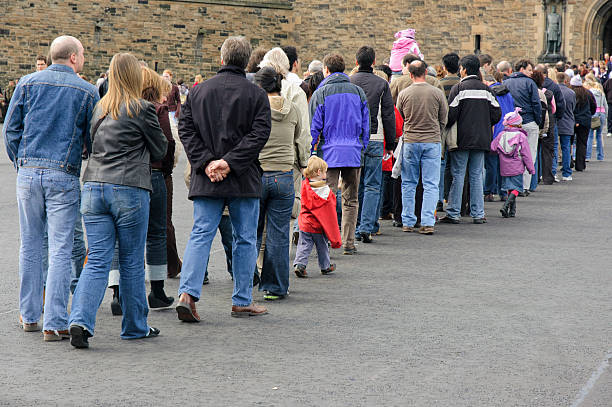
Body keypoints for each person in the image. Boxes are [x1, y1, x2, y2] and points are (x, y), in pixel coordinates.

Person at [68, 52, 167, 348]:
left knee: (97, 259)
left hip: (94, 186)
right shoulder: (142, 109)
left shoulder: (100, 108)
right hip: (129, 188)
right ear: (136, 76)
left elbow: (92, 144)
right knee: (132, 260)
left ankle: (80, 320)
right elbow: (160, 149)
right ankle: (135, 325)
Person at [3, 36, 99, 341]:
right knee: (60, 247)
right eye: (82, 54)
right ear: (72, 58)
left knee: (30, 244)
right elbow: (94, 136)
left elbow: (11, 128)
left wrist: (21, 161)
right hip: (63, 172)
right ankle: (55, 320)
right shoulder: (86, 90)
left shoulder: (27, 83)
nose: (83, 58)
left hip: (29, 172)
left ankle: (29, 314)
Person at [176, 36, 271, 322]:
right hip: (243, 176)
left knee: (200, 234)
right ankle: (242, 299)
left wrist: (206, 162)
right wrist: (229, 162)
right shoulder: (256, 94)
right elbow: (259, 134)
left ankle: (187, 294)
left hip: (207, 177)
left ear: (221, 59)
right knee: (245, 239)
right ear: (246, 61)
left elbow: (186, 130)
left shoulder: (198, 91)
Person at [309, 53, 369, 255]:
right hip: (353, 152)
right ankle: (348, 242)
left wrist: (310, 153)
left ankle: (325, 240)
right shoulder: (359, 92)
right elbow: (366, 125)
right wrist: (363, 147)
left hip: (328, 153)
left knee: (326, 198)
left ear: (326, 70)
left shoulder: (321, 93)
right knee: (351, 199)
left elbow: (313, 127)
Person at [253, 67, 301, 300]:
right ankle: (276, 286)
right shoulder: (291, 108)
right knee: (279, 234)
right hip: (283, 175)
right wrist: (301, 164)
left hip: (258, 174)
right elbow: (300, 140)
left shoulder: (255, 108)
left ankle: (246, 279)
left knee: (250, 231)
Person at [259, 48, 311, 246]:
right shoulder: (296, 91)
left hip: (261, 161)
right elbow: (303, 132)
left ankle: (259, 267)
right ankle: (277, 269)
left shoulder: (256, 90)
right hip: (288, 162)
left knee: (258, 220)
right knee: (283, 223)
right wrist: (304, 161)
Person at [441, 55, 501, 224]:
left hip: (462, 139)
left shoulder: (459, 89)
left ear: (464, 69)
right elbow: (497, 114)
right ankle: (478, 213)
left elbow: (450, 116)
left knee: (458, 174)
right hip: (482, 139)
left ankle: (453, 212)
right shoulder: (486, 90)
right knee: (476, 175)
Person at [396, 60, 448, 234]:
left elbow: (399, 118)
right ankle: (427, 221)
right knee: (431, 184)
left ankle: (408, 220)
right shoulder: (436, 93)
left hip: (410, 140)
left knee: (409, 183)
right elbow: (443, 118)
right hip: (432, 140)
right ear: (425, 72)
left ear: (410, 74)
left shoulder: (404, 94)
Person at [350, 46, 395, 243]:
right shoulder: (382, 83)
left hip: (353, 138)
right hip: (376, 138)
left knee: (354, 184)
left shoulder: (350, 82)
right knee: (373, 185)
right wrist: (391, 142)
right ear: (374, 62)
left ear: (356, 61)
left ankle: (355, 223)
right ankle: (366, 226)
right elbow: (388, 114)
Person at [293, 156, 341, 277]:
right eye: (325, 171)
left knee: (304, 245)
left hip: (304, 223)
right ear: (319, 172)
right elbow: (330, 210)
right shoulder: (326, 192)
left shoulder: (303, 186)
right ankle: (325, 266)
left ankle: (300, 264)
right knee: (322, 246)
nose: (326, 173)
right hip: (319, 225)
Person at [503, 59, 542, 193]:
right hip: (529, 121)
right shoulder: (530, 83)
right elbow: (536, 104)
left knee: (512, 155)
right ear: (522, 69)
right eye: (529, 70)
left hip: (512, 124)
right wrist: (538, 121)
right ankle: (524, 186)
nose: (532, 73)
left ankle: (512, 186)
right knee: (529, 154)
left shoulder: (506, 82)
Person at [492, 109, 536, 218]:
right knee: (516, 188)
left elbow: (493, 147)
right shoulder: (521, 136)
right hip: (517, 166)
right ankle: (506, 206)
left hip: (504, 167)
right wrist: (531, 168)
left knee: (510, 188)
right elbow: (526, 154)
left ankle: (512, 211)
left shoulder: (501, 134)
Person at [486, 71, 516, 200]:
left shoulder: (490, 93)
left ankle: (489, 192)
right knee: (503, 164)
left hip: (494, 131)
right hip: (507, 131)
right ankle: (503, 192)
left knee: (491, 164)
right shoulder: (508, 94)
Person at [534, 64, 565, 182]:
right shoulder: (553, 86)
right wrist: (557, 117)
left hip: (536, 119)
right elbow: (560, 105)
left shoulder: (532, 85)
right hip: (550, 119)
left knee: (535, 149)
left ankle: (535, 176)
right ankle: (548, 176)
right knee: (548, 149)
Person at [570, 76, 596, 172]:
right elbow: (594, 106)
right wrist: (589, 114)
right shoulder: (588, 93)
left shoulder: (571, 93)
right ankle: (580, 165)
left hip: (572, 120)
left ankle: (569, 161)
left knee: (569, 142)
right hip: (585, 121)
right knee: (582, 143)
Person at [556, 72, 576, 181]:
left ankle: (553, 171)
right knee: (566, 148)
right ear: (565, 81)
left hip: (556, 122)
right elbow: (573, 107)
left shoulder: (553, 91)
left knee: (553, 148)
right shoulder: (571, 93)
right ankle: (566, 173)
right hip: (567, 121)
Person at [584, 77, 607, 161]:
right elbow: (606, 106)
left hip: (594, 114)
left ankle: (588, 156)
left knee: (590, 135)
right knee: (599, 135)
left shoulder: (590, 93)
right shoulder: (602, 94)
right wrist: (605, 116)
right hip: (602, 114)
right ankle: (600, 156)